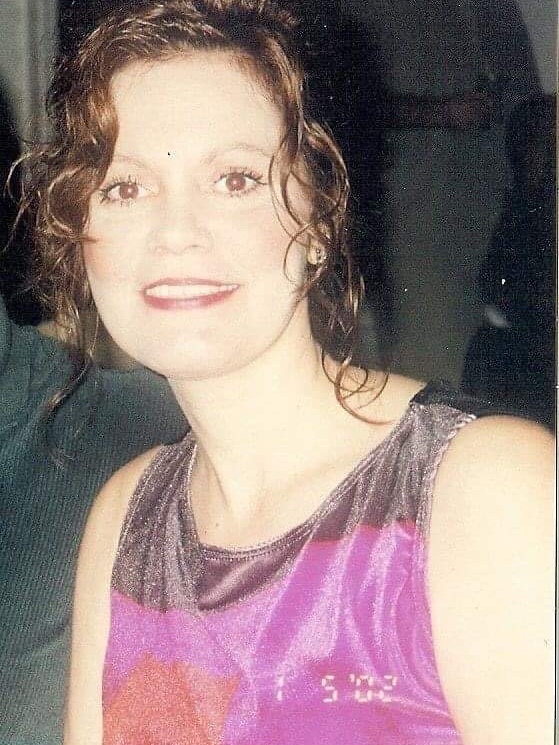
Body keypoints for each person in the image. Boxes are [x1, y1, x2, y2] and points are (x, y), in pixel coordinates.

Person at [29, 2, 550, 743]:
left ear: (319, 221)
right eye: (126, 187)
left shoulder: (483, 488)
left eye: (235, 179)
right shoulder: (124, 518)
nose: (175, 233)